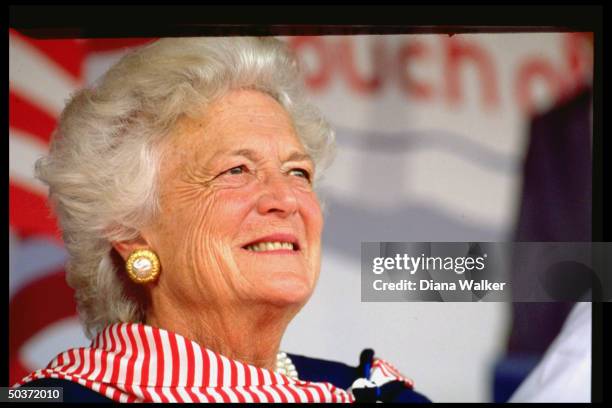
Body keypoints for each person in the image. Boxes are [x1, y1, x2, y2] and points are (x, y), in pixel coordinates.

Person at [14, 37, 430, 403]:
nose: (285, 199)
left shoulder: (371, 393)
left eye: (297, 172)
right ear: (129, 231)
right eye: (236, 171)